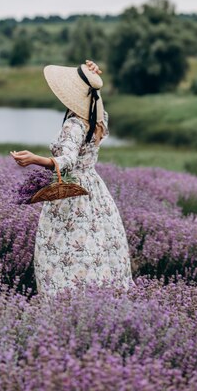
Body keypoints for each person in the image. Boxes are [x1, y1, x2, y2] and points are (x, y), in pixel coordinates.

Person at [10, 59, 135, 296]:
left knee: (62, 251)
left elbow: (66, 161)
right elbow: (95, 100)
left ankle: (67, 303)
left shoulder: (75, 125)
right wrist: (93, 80)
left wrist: (35, 159)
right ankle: (101, 298)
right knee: (96, 247)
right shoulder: (98, 119)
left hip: (72, 193)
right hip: (94, 189)